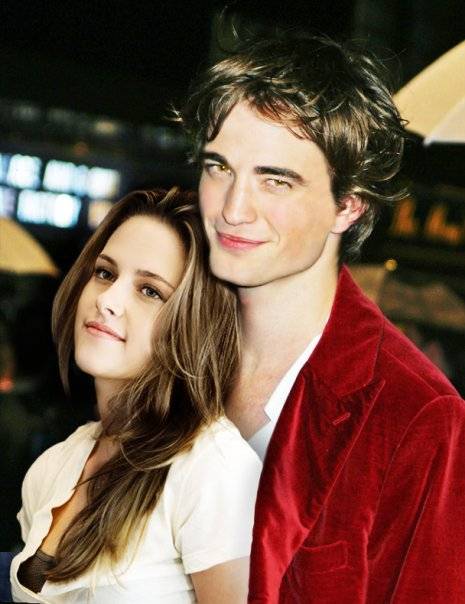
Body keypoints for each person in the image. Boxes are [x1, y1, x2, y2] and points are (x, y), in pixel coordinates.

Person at [180, 30, 465, 602]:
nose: (233, 209)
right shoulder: (165, 344)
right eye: (219, 167)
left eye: (275, 180)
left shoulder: (415, 413)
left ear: (348, 206)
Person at [10, 188, 262, 603]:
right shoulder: (54, 467)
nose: (107, 300)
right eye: (105, 273)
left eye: (150, 291)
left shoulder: (214, 468)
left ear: (196, 323)